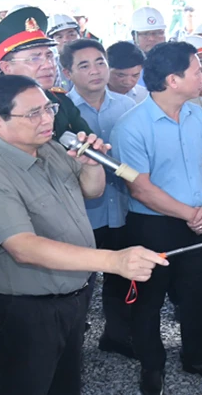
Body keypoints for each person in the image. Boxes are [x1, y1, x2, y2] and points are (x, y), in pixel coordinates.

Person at [0, 74, 167, 395]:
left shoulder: (49, 147)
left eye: (49, 108)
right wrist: (112, 260)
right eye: (33, 114)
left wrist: (91, 165)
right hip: (25, 310)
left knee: (64, 384)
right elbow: (23, 248)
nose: (47, 119)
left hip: (72, 296)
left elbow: (92, 190)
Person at [110, 42, 202, 394]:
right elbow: (141, 189)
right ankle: (152, 366)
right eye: (197, 70)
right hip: (154, 226)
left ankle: (197, 357)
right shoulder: (131, 126)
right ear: (173, 79)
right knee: (148, 301)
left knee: (200, 293)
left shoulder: (197, 112)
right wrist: (192, 214)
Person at [61, 39, 137, 358]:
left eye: (100, 62)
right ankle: (69, 340)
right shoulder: (59, 111)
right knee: (77, 282)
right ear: (67, 72)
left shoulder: (129, 106)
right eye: (84, 65)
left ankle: (116, 336)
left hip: (120, 208)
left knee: (120, 275)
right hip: (79, 215)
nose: (95, 71)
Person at [0, 6, 91, 140]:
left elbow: (87, 139)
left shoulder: (60, 100)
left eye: (49, 56)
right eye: (34, 59)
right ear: (6, 67)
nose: (48, 65)